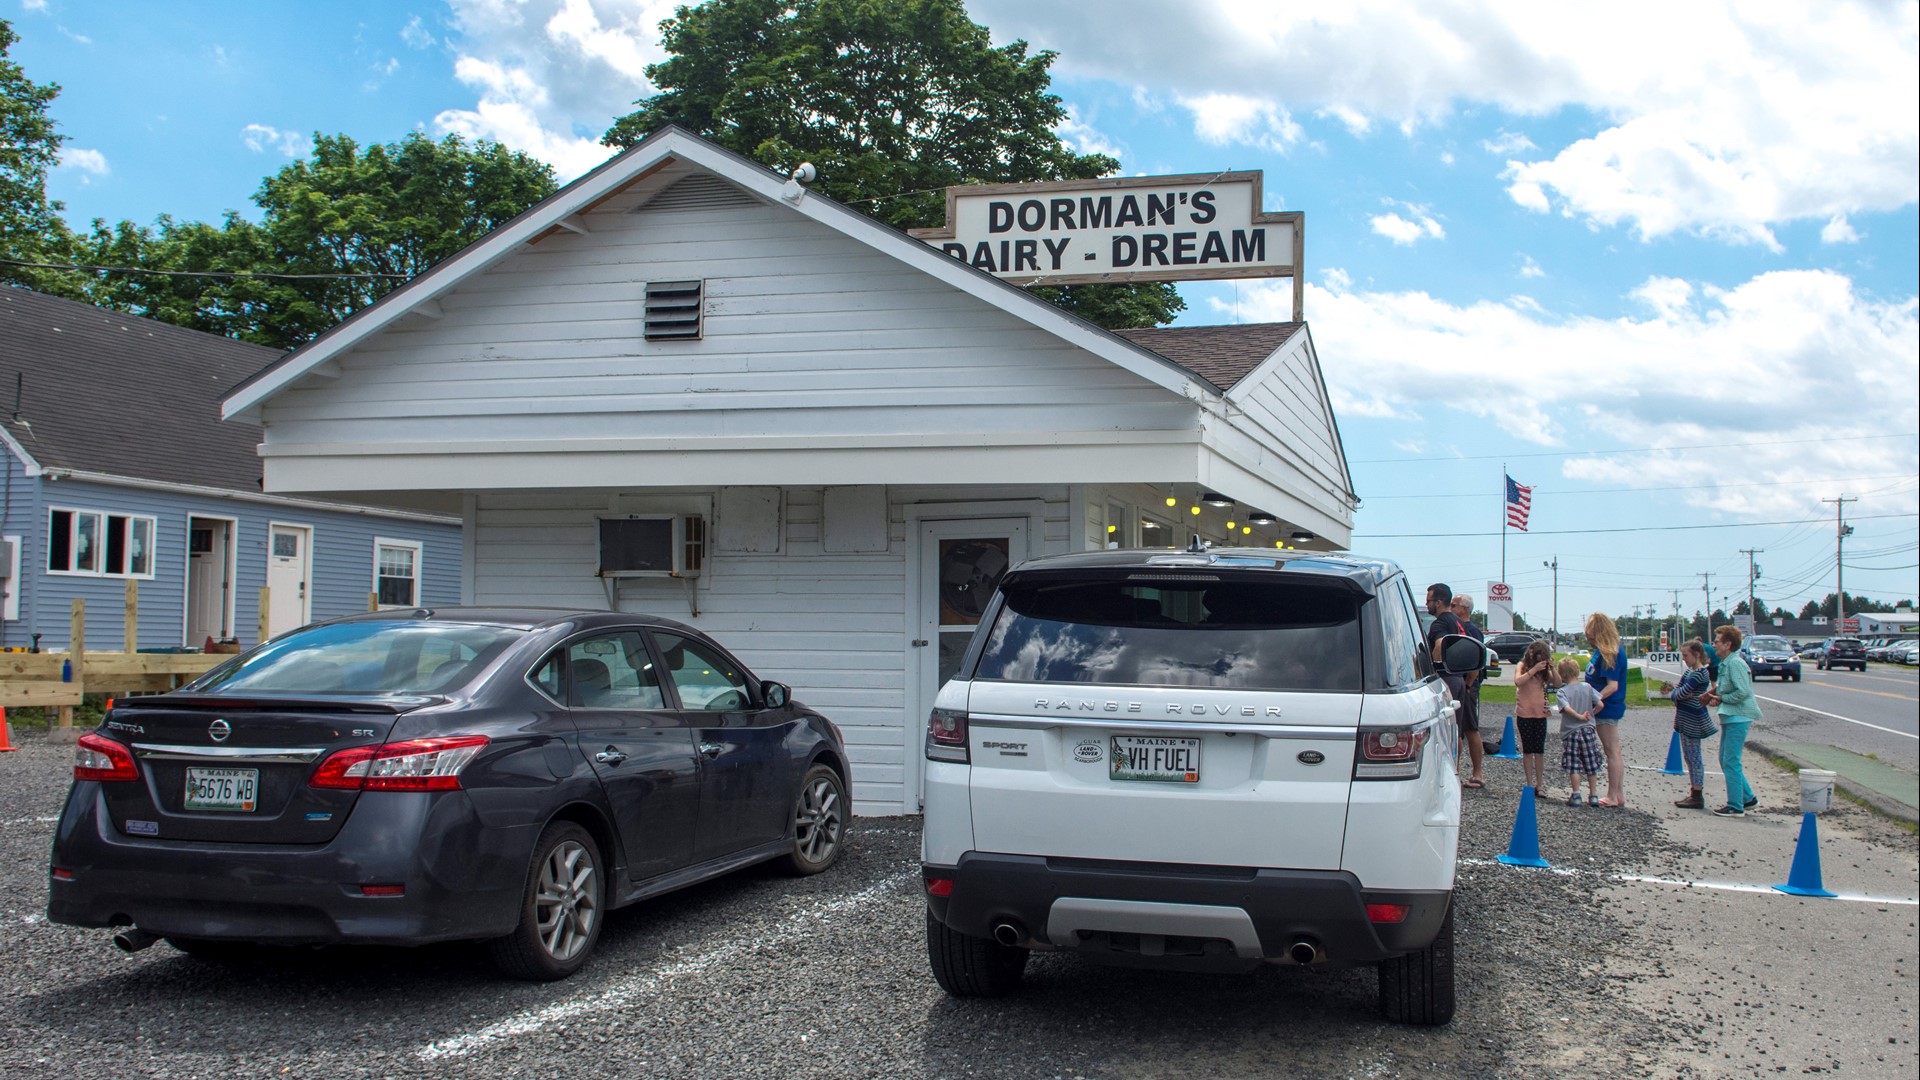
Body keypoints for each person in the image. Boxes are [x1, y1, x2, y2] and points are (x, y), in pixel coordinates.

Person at [1425, 583, 1482, 789]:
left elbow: (1440, 645)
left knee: (1441, 729)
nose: (1426, 603)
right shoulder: (1459, 623)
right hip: (1459, 679)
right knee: (1456, 731)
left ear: (1438, 602)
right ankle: (1455, 772)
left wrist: (1433, 665)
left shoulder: (1439, 624)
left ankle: (1445, 774)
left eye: (1429, 600)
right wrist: (1467, 682)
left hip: (1446, 679)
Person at [1702, 625, 1761, 817]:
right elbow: (1726, 688)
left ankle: (1736, 806)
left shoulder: (1735, 663)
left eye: (1717, 642)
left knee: (1730, 760)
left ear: (1728, 644)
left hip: (1739, 716)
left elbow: (1743, 691)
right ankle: (1747, 797)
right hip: (1730, 716)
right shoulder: (1727, 663)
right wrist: (1714, 696)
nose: (1714, 645)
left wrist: (1722, 699)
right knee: (1725, 758)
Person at [1583, 612, 1630, 807]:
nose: (1589, 640)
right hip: (1603, 707)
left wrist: (1596, 701)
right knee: (1612, 751)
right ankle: (1617, 794)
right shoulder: (1602, 651)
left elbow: (1613, 685)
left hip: (1607, 708)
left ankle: (1613, 794)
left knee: (1612, 751)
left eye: (1590, 636)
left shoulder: (1610, 653)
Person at [1669, 640, 1717, 809]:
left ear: (1696, 654)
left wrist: (1679, 694)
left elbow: (1680, 692)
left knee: (1694, 756)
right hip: (1684, 718)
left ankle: (1697, 794)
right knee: (1688, 756)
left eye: (1686, 655)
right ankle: (1694, 791)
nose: (1684, 659)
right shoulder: (1690, 672)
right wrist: (1678, 694)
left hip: (1693, 719)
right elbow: (1676, 692)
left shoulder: (1699, 673)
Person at [1555, 656, 1603, 806]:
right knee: (1591, 761)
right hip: (1588, 729)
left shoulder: (1562, 692)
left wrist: (1579, 716)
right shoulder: (1587, 687)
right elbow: (1601, 704)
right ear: (1577, 671)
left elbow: (1566, 708)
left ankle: (1576, 795)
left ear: (1561, 674)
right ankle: (1593, 795)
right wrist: (1591, 714)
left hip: (1571, 732)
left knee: (1574, 763)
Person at [1513, 639, 1556, 793]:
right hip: (1524, 713)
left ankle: (1540, 784)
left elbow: (1557, 683)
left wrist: (1552, 668)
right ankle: (1529, 783)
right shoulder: (1522, 666)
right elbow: (1518, 681)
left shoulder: (1544, 671)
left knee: (1539, 750)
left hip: (1540, 714)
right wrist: (1533, 670)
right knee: (1527, 749)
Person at [1450, 593, 1486, 750]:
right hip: (1459, 683)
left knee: (1470, 727)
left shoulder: (1472, 630)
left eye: (1453, 605)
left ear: (1464, 609)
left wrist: (1468, 685)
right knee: (1456, 728)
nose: (1450, 608)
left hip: (1468, 685)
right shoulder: (1456, 627)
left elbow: (1476, 662)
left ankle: (1477, 772)